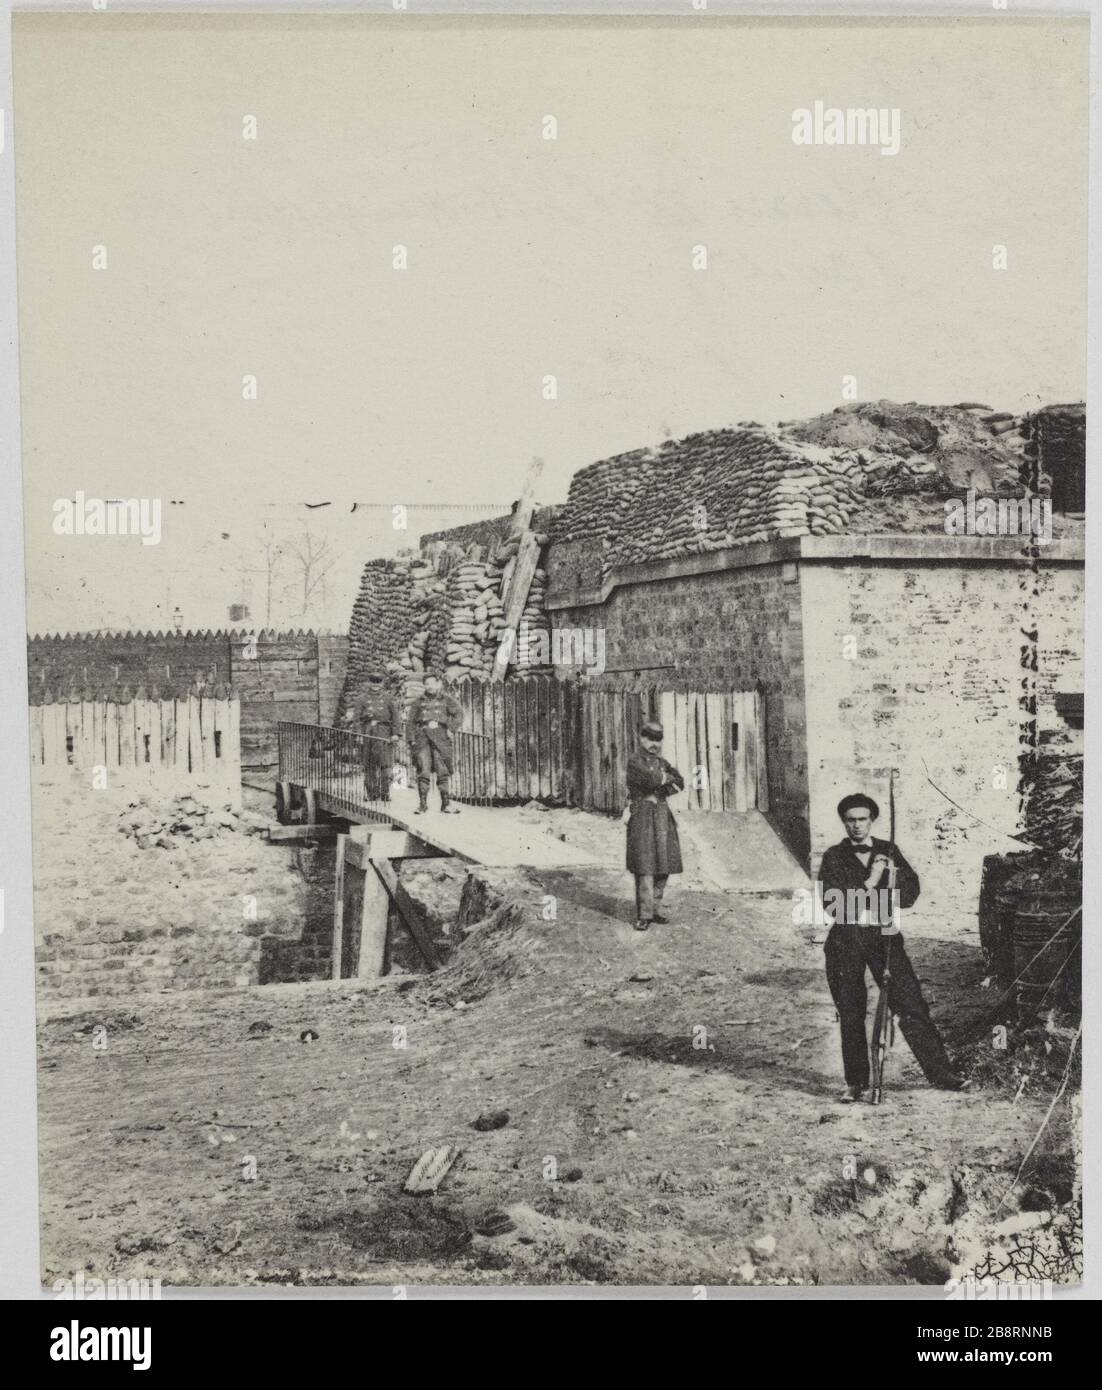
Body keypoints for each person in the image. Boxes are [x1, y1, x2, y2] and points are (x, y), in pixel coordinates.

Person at [820, 793, 969, 1102]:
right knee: (850, 1011)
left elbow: (911, 891)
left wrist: (892, 883)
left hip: (884, 937)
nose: (857, 826)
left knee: (911, 1004)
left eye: (862, 819)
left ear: (871, 820)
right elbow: (834, 905)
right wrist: (873, 879)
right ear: (844, 822)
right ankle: (856, 1083)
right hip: (845, 942)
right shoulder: (834, 857)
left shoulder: (889, 850)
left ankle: (943, 1074)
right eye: (851, 820)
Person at [625, 721, 684, 931]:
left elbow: (679, 782)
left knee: (663, 866)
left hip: (661, 817)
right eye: (649, 738)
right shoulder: (634, 762)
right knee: (645, 866)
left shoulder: (662, 762)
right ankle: (644, 915)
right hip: (642, 816)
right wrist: (662, 780)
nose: (654, 744)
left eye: (658, 740)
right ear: (641, 738)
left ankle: (654, 909)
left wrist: (661, 786)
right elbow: (649, 779)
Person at [408, 674, 464, 814]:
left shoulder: (446, 699)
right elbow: (410, 722)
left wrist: (451, 728)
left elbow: (459, 714)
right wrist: (411, 739)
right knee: (423, 770)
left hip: (440, 738)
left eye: (432, 683)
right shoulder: (418, 702)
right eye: (427, 684)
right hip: (422, 739)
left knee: (442, 771)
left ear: (438, 684)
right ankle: (422, 805)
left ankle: (446, 804)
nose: (430, 686)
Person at [345, 669, 402, 802]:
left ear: (382, 683)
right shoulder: (362, 699)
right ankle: (372, 793)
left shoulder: (388, 698)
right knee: (369, 764)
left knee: (385, 765)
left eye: (378, 682)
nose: (375, 684)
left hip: (384, 733)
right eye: (373, 682)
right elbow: (357, 719)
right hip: (368, 732)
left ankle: (385, 793)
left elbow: (396, 718)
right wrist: (358, 734)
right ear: (369, 683)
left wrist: (395, 734)